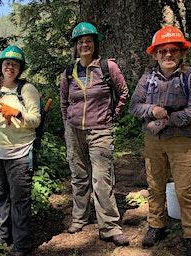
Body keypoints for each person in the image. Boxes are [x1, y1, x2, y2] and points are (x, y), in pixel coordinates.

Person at [129, 26, 191, 256]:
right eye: (163, 51)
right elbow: (134, 106)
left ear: (182, 52)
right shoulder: (147, 78)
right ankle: (156, 225)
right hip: (153, 140)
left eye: (174, 50)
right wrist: (153, 109)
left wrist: (168, 119)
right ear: (155, 54)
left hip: (183, 140)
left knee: (185, 190)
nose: (168, 55)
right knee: (155, 186)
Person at [59, 21, 129, 246]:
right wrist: (68, 123)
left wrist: (112, 116)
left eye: (88, 40)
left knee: (101, 179)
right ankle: (79, 218)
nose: (84, 44)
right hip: (74, 130)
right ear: (75, 46)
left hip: (100, 130)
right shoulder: (69, 72)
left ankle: (109, 226)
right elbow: (63, 102)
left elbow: (123, 93)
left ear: (95, 43)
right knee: (78, 175)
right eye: (80, 42)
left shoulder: (108, 67)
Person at [0, 45, 40, 256]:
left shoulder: (27, 90)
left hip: (20, 153)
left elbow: (36, 120)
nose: (10, 67)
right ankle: (3, 238)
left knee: (20, 199)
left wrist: (18, 114)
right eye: (6, 63)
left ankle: (21, 245)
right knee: (1, 197)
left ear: (20, 68)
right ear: (0, 67)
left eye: (14, 64)